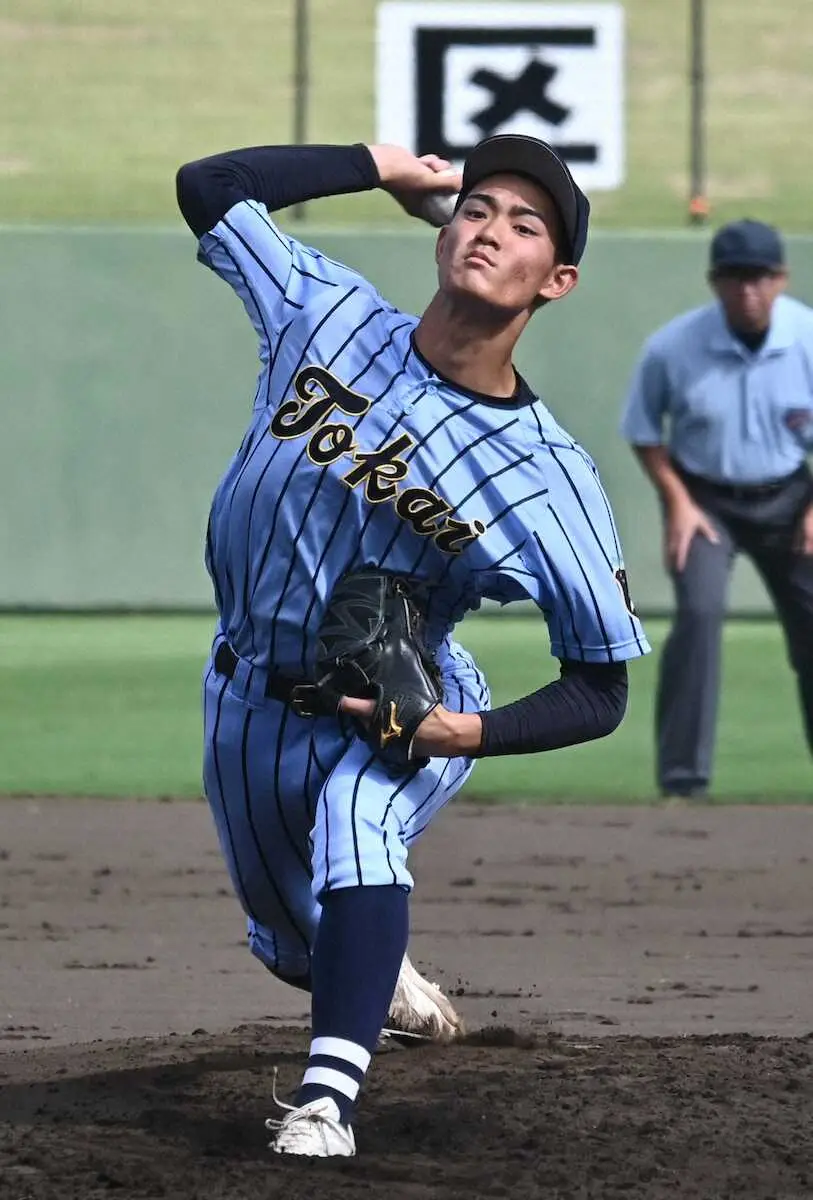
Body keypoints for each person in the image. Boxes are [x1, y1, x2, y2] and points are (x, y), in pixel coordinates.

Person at [176, 133, 649, 1159]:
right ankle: (369, 966)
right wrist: (382, 165)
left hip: (406, 702)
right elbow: (211, 189)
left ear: (556, 281)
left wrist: (461, 730)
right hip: (247, 701)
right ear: (445, 233)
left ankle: (324, 1105)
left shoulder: (547, 479)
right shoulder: (328, 314)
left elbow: (600, 685)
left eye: (527, 225)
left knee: (360, 817)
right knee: (294, 946)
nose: (492, 229)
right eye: (479, 208)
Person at [620, 219, 813, 800]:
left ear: (780, 280)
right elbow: (644, 431)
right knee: (700, 617)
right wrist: (676, 503)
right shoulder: (674, 347)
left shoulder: (807, 337)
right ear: (714, 282)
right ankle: (684, 783)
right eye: (734, 278)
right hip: (705, 500)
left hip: (791, 495)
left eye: (758, 277)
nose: (746, 291)